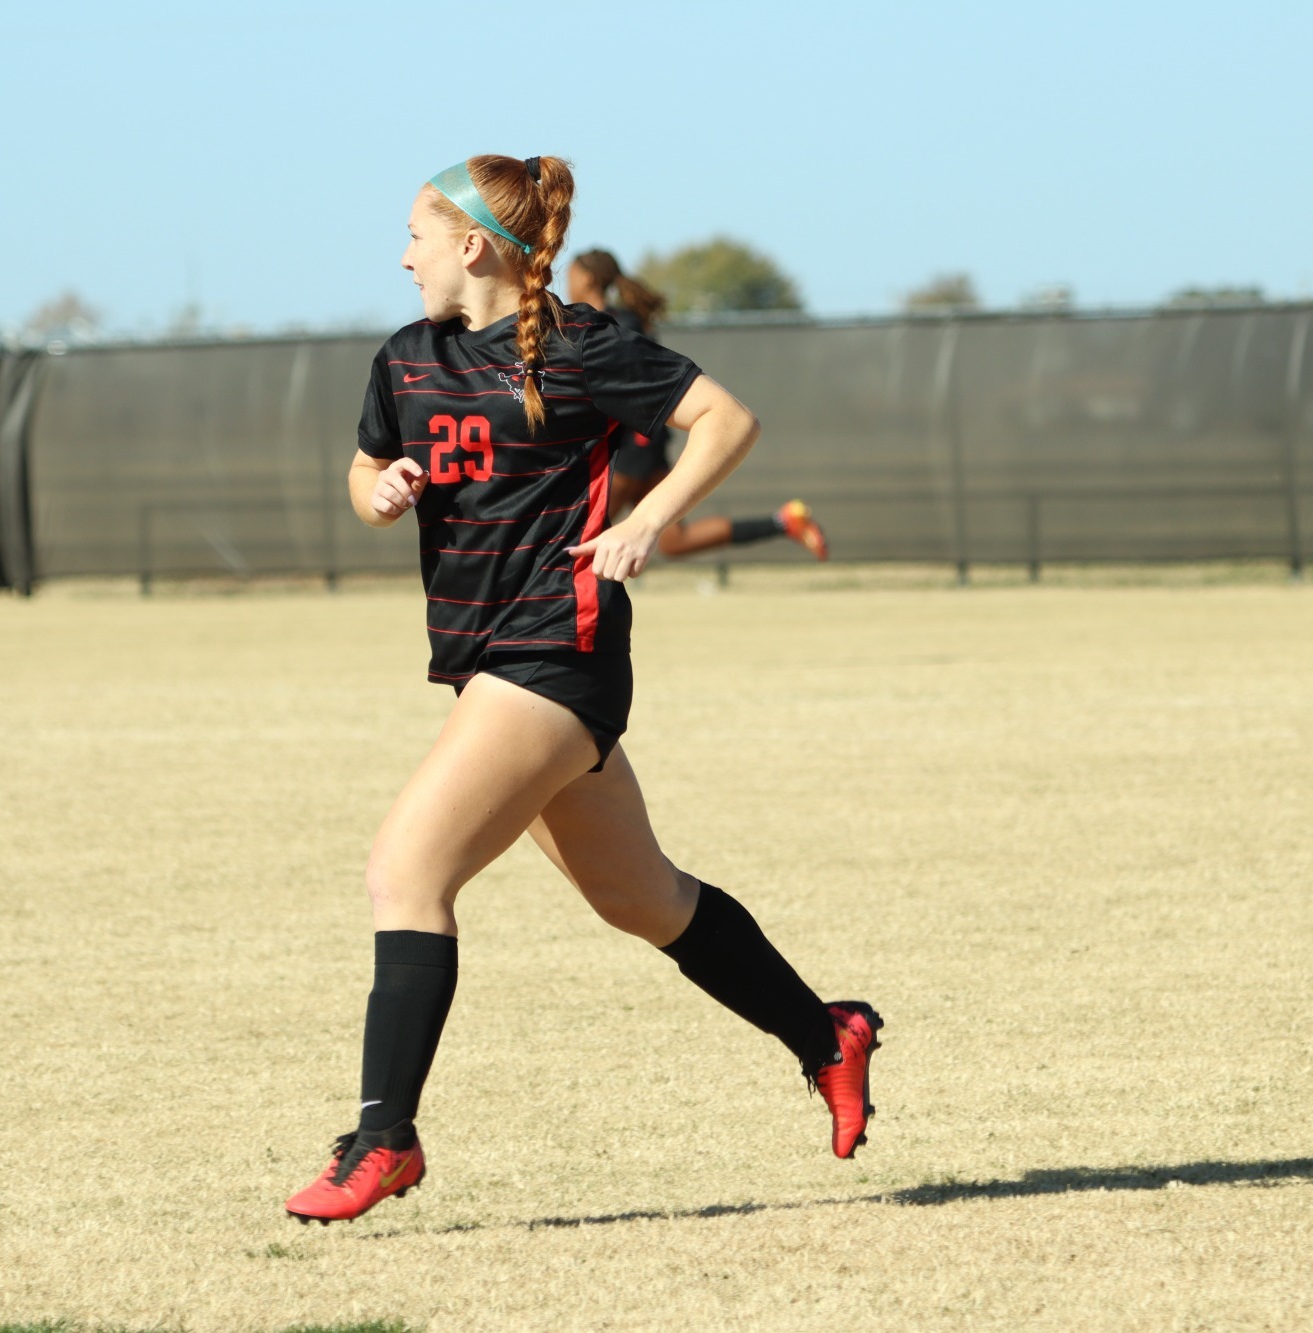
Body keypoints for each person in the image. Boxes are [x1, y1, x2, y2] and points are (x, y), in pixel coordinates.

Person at [285, 155, 881, 1226]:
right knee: (641, 898)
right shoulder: (405, 357)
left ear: (471, 245)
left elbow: (727, 420)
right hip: (487, 662)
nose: (404, 255)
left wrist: (647, 520)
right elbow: (362, 468)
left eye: (416, 233)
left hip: (556, 655)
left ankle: (383, 1138)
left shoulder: (579, 345)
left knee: (405, 873)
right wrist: (379, 493)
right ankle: (825, 1033)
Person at [564, 247, 831, 563]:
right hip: (640, 447)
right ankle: (784, 522)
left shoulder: (613, 326)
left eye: (570, 274)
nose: (565, 282)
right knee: (674, 541)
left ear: (587, 278)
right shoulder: (603, 323)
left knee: (577, 537)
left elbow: (639, 390)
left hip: (634, 448)